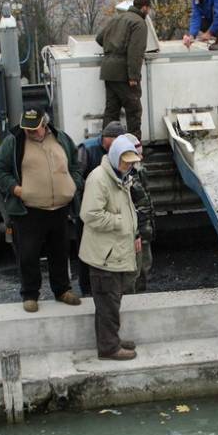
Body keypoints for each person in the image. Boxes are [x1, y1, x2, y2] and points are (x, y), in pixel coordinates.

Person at [0, 108, 84, 312]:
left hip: (60, 208)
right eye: (27, 128)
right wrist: (17, 190)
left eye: (34, 128)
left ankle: (62, 290)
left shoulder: (61, 138)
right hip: (30, 210)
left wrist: (73, 185)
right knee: (28, 254)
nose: (30, 132)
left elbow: (76, 165)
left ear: (45, 124)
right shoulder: (14, 141)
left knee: (60, 251)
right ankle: (30, 294)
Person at [80, 134, 143, 361]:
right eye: (125, 161)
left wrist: (132, 230)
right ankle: (108, 348)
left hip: (112, 253)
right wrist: (119, 223)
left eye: (130, 161)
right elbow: (89, 214)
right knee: (107, 302)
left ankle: (111, 340)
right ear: (115, 156)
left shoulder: (120, 176)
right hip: (104, 256)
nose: (128, 165)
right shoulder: (99, 179)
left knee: (111, 301)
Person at [75, 121, 126, 296]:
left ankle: (108, 288)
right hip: (88, 210)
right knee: (86, 251)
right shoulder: (86, 149)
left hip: (110, 212)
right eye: (113, 143)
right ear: (105, 138)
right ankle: (87, 289)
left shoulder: (119, 151)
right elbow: (76, 178)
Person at [96, 0, 151, 139]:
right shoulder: (138, 23)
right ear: (144, 7)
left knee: (111, 112)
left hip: (108, 71)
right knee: (133, 111)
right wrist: (133, 76)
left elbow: (99, 38)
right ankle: (134, 147)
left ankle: (107, 147)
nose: (149, 12)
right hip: (123, 74)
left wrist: (112, 48)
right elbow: (135, 51)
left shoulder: (117, 18)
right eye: (149, 8)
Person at [123, 134, 155, 293]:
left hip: (144, 230)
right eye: (138, 154)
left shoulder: (140, 170)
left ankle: (141, 295)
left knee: (145, 267)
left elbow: (146, 201)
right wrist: (137, 233)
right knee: (134, 271)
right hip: (135, 233)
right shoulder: (126, 176)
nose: (141, 157)